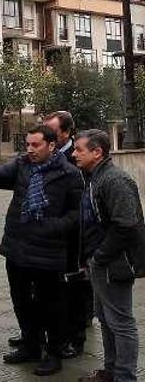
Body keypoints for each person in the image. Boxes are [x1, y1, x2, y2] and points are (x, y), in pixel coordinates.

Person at [0, 125, 83, 376]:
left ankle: (53, 354)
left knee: (51, 305)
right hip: (17, 246)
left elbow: (77, 214)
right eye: (28, 144)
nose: (29, 149)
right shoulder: (23, 164)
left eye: (36, 145)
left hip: (49, 251)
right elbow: (2, 171)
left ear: (51, 146)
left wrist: (53, 226)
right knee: (21, 301)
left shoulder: (70, 174)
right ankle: (30, 346)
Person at [74, 129, 145, 382]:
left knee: (121, 322)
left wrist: (100, 256)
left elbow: (126, 224)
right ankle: (111, 371)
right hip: (100, 262)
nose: (74, 154)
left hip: (114, 263)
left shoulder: (114, 180)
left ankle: (124, 377)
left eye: (79, 150)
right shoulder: (94, 176)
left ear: (97, 152)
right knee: (105, 318)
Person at [43, 111, 92, 359]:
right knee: (47, 289)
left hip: (72, 234)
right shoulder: (43, 155)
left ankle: (75, 337)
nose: (47, 135)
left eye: (52, 131)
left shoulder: (78, 159)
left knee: (73, 287)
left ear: (65, 133)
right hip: (47, 234)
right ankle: (44, 333)